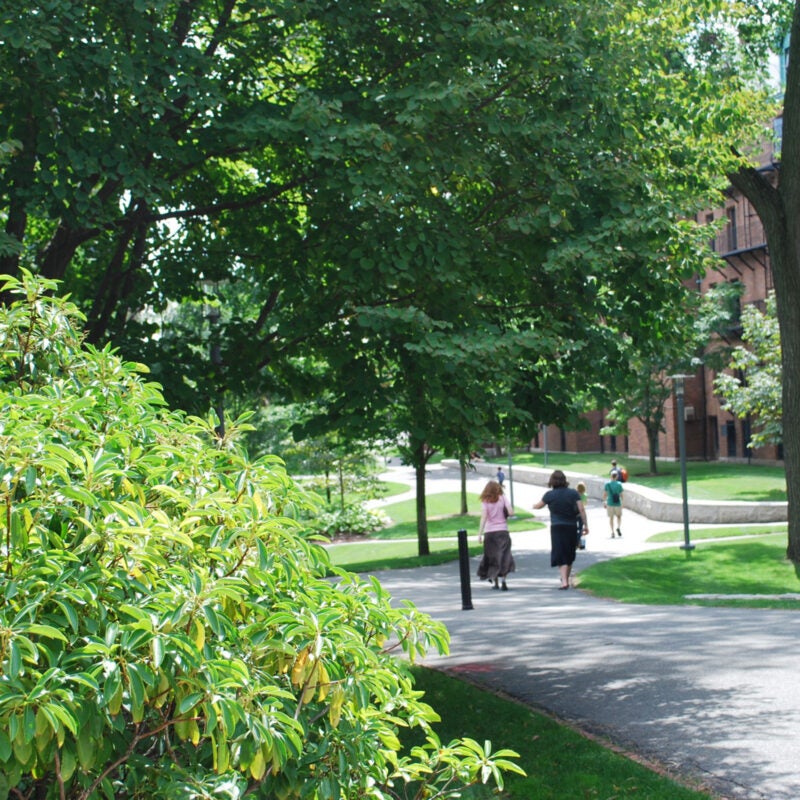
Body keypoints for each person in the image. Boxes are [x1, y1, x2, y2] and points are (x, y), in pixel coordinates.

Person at [533, 470, 588, 589]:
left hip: (557, 527)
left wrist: (533, 505)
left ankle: (564, 581)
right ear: (565, 480)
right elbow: (581, 510)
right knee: (569, 552)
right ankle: (565, 579)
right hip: (571, 526)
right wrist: (585, 525)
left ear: (552, 481)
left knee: (560, 552)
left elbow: (538, 505)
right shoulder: (573, 493)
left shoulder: (549, 495)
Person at [477, 480, 514, 591]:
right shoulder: (503, 498)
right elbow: (511, 512)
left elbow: (484, 517)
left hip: (490, 532)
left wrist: (479, 534)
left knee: (493, 557)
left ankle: (495, 582)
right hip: (502, 531)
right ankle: (504, 581)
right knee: (504, 556)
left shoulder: (485, 500)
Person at [603, 470, 624, 537]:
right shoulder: (619, 484)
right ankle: (618, 527)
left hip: (610, 503)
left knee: (611, 518)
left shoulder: (607, 484)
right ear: (617, 476)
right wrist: (622, 503)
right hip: (618, 503)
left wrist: (604, 502)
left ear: (611, 476)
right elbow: (621, 495)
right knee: (619, 516)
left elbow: (605, 494)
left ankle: (612, 532)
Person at [575, 481, 588, 550]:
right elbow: (585, 504)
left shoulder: (575, 494)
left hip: (575, 513)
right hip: (581, 514)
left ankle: (577, 542)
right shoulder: (585, 495)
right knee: (581, 528)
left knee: (575, 528)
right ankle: (580, 543)